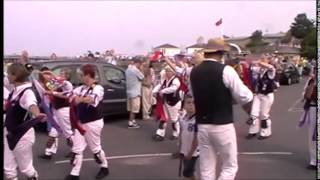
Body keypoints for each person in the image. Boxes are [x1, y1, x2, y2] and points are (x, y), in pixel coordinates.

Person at [190, 38, 253, 180]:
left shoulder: (194, 72)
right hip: (222, 124)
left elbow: (193, 94)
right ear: (221, 53)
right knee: (229, 166)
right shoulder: (226, 70)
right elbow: (244, 96)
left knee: (206, 167)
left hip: (202, 125)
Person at [65, 64, 109, 180]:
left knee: (95, 149)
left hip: (93, 123)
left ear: (88, 75)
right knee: (77, 149)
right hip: (81, 122)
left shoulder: (98, 88)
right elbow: (69, 95)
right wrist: (53, 92)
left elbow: (92, 99)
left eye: (81, 75)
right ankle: (75, 174)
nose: (80, 77)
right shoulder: (81, 88)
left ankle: (104, 167)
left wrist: (80, 99)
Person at [4, 63, 47, 180]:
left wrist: (37, 114)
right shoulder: (15, 90)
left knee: (26, 169)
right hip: (9, 133)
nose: (7, 76)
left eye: (8, 74)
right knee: (8, 169)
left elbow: (31, 104)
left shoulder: (26, 92)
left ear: (14, 76)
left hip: (21, 135)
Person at [39, 68, 74, 159]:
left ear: (67, 76)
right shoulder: (57, 84)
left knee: (67, 133)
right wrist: (42, 78)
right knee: (53, 132)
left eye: (63, 74)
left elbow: (53, 87)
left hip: (64, 110)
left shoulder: (67, 84)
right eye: (60, 73)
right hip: (56, 110)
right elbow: (48, 87)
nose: (60, 75)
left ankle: (76, 151)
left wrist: (50, 74)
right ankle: (48, 153)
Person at [246, 54, 276, 140]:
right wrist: (250, 62)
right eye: (261, 58)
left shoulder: (271, 70)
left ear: (267, 60)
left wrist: (258, 62)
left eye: (263, 59)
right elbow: (250, 66)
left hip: (267, 95)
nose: (261, 60)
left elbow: (269, 67)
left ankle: (265, 133)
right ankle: (253, 131)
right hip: (258, 94)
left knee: (264, 115)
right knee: (253, 113)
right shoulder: (259, 70)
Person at [152, 65, 182, 141]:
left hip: (174, 102)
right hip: (165, 101)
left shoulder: (176, 80)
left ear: (173, 73)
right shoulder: (165, 79)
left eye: (168, 71)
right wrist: (154, 91)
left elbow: (174, 88)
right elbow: (160, 85)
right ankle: (160, 133)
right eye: (166, 71)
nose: (166, 73)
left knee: (174, 119)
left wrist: (163, 91)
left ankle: (176, 133)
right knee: (163, 117)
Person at [298, 67, 317, 170]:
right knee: (312, 136)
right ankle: (314, 161)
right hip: (313, 108)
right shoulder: (311, 81)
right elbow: (304, 95)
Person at [178, 95, 199, 180]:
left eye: (193, 103)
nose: (191, 105)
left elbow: (196, 138)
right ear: (184, 105)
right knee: (190, 172)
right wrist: (180, 148)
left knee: (187, 172)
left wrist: (191, 152)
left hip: (194, 152)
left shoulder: (197, 120)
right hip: (185, 150)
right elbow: (181, 133)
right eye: (188, 102)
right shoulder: (183, 118)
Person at [125, 57, 145, 128]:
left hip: (129, 91)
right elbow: (142, 77)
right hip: (135, 92)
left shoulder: (128, 69)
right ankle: (131, 123)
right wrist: (142, 70)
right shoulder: (135, 70)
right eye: (141, 64)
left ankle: (133, 121)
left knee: (131, 108)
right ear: (139, 63)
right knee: (134, 109)